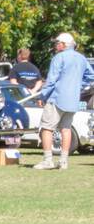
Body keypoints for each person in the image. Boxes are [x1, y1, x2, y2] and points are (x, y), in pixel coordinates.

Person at [34, 32, 94, 170]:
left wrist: (42, 96)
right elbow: (91, 75)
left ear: (63, 44)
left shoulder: (58, 57)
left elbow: (51, 80)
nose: (55, 45)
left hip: (57, 97)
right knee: (66, 129)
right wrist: (77, 81)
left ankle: (48, 160)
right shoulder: (81, 58)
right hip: (73, 99)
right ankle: (63, 161)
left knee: (46, 128)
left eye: (57, 43)